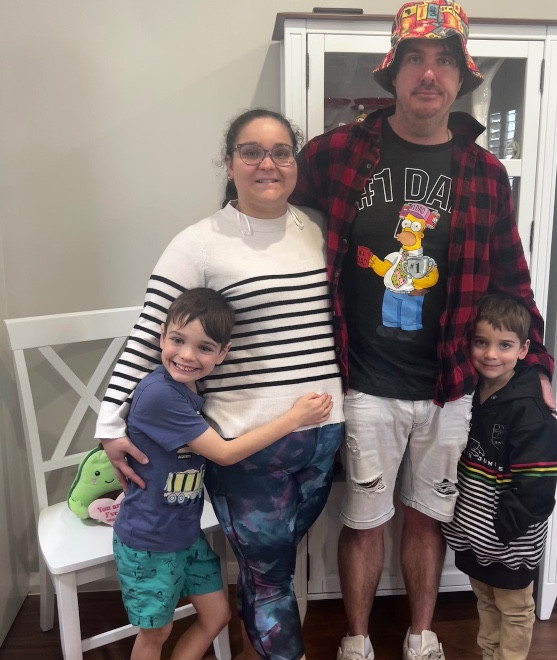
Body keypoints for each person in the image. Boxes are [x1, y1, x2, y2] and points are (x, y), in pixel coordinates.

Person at [289, 1, 556, 658]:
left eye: (443, 60)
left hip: (448, 385)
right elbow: (278, 222)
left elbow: (511, 277)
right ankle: (356, 640)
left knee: (428, 514)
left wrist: (538, 366)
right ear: (393, 72)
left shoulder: (484, 174)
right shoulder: (336, 153)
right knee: (362, 520)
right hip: (362, 379)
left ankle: (420, 635)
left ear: (461, 78)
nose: (428, 73)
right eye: (415, 58)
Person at [96, 109, 345, 660]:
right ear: (229, 164)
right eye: (251, 152)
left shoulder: (317, 230)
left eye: (281, 151)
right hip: (247, 447)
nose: (267, 163)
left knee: (274, 569)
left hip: (323, 436)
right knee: (270, 577)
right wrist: (110, 424)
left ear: (295, 162)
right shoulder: (199, 244)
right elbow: (150, 334)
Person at [113, 287, 333, 660]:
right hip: (149, 540)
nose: (187, 355)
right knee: (156, 633)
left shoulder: (189, 390)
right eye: (178, 340)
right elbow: (225, 453)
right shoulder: (159, 395)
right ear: (161, 336)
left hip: (184, 534)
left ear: (222, 353)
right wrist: (294, 418)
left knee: (216, 616)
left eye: (203, 347)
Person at [442, 294, 557, 659]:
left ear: (524, 350)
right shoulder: (469, 393)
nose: (491, 354)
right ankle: (489, 654)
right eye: (482, 342)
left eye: (504, 345)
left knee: (514, 608)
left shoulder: (530, 411)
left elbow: (537, 488)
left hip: (510, 541)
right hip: (475, 537)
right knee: (486, 601)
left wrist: (504, 531)